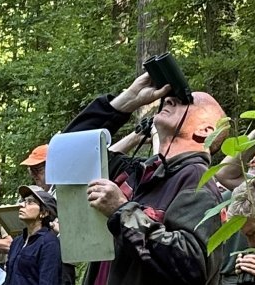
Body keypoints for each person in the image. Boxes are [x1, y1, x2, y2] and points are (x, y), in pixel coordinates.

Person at [68, 73, 230, 285]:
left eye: (185, 101)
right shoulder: (139, 172)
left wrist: (122, 211)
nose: (170, 99)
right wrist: (128, 100)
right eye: (170, 98)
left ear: (205, 131)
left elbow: (191, 267)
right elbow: (71, 151)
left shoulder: (197, 180)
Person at [7, 185, 77, 285]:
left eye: (30, 202)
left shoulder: (49, 244)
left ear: (44, 213)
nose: (22, 205)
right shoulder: (17, 241)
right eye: (23, 201)